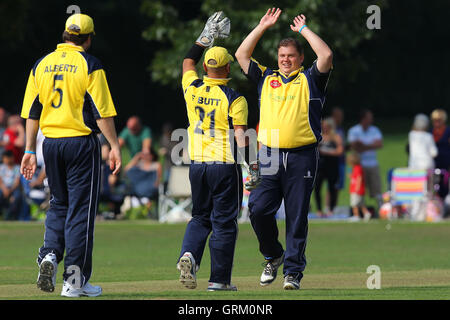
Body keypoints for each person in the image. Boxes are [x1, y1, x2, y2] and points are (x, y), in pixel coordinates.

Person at [20, 13, 121, 297]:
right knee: (80, 212)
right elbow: (102, 112)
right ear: (88, 39)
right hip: (80, 143)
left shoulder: (41, 63)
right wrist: (114, 145)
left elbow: (32, 111)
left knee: (58, 204)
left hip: (50, 143)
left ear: (65, 34)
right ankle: (74, 283)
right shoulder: (90, 64)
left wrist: (29, 149)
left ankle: (50, 254)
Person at [235, 8, 333, 290]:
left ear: (300, 58)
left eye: (291, 56)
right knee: (258, 209)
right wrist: (262, 26)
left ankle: (293, 272)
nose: (286, 60)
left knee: (296, 215)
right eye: (282, 56)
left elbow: (325, 55)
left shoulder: (311, 78)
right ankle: (273, 255)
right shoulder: (267, 77)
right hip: (269, 155)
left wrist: (303, 30)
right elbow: (241, 55)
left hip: (303, 155)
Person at [177, 11, 258, 292]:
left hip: (197, 164)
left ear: (206, 69)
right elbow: (241, 136)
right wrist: (253, 166)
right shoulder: (235, 98)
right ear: (227, 69)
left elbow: (188, 61)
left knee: (200, 216)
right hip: (224, 165)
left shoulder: (192, 88)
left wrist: (204, 37)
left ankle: (188, 255)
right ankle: (219, 280)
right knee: (224, 223)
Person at [348, 109, 383, 209]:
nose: (371, 120)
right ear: (363, 119)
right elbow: (353, 146)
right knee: (359, 189)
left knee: (376, 187)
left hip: (372, 164)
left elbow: (379, 144)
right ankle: (360, 210)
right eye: (369, 118)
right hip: (359, 165)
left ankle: (381, 208)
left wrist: (363, 146)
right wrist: (371, 145)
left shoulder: (375, 130)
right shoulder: (354, 130)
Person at [314, 117, 344, 217]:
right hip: (320, 167)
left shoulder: (335, 137)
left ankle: (331, 209)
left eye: (327, 126)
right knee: (317, 188)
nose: (325, 128)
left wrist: (327, 152)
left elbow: (340, 151)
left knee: (332, 188)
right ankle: (319, 209)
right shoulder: (318, 137)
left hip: (332, 166)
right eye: (323, 126)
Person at [430, 109, 450, 199]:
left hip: (446, 162)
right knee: (433, 184)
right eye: (434, 120)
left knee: (445, 184)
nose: (436, 123)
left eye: (439, 120)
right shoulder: (430, 132)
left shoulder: (448, 131)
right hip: (433, 162)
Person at [347, 152, 371, 222]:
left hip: (356, 190)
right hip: (359, 190)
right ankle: (366, 213)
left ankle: (356, 215)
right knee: (361, 204)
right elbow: (355, 177)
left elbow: (359, 178)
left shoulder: (358, 168)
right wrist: (351, 176)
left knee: (354, 204)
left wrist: (357, 188)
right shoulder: (356, 168)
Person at [0, 150, 23, 220]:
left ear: (11, 158)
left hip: (13, 188)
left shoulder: (17, 168)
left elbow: (17, 182)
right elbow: (0, 181)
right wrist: (5, 190)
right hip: (3, 188)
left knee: (17, 197)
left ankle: (9, 216)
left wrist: (9, 191)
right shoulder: (1, 167)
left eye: (6, 158)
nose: (5, 160)